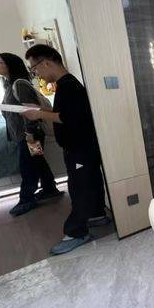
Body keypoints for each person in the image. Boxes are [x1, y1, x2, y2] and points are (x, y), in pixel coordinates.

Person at [22, 45, 109, 255]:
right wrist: (42, 110)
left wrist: (39, 114)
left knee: (79, 187)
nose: (36, 74)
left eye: (35, 68)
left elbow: (68, 117)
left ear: (46, 63)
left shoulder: (68, 86)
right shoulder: (67, 84)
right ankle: (97, 214)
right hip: (82, 146)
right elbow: (66, 112)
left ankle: (77, 232)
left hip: (78, 147)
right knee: (90, 180)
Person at [0, 53, 62, 216]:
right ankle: (49, 188)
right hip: (26, 134)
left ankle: (26, 200)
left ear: (10, 65)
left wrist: (29, 134)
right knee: (37, 160)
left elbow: (30, 111)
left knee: (28, 166)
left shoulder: (19, 84)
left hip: (29, 135)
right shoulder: (10, 84)